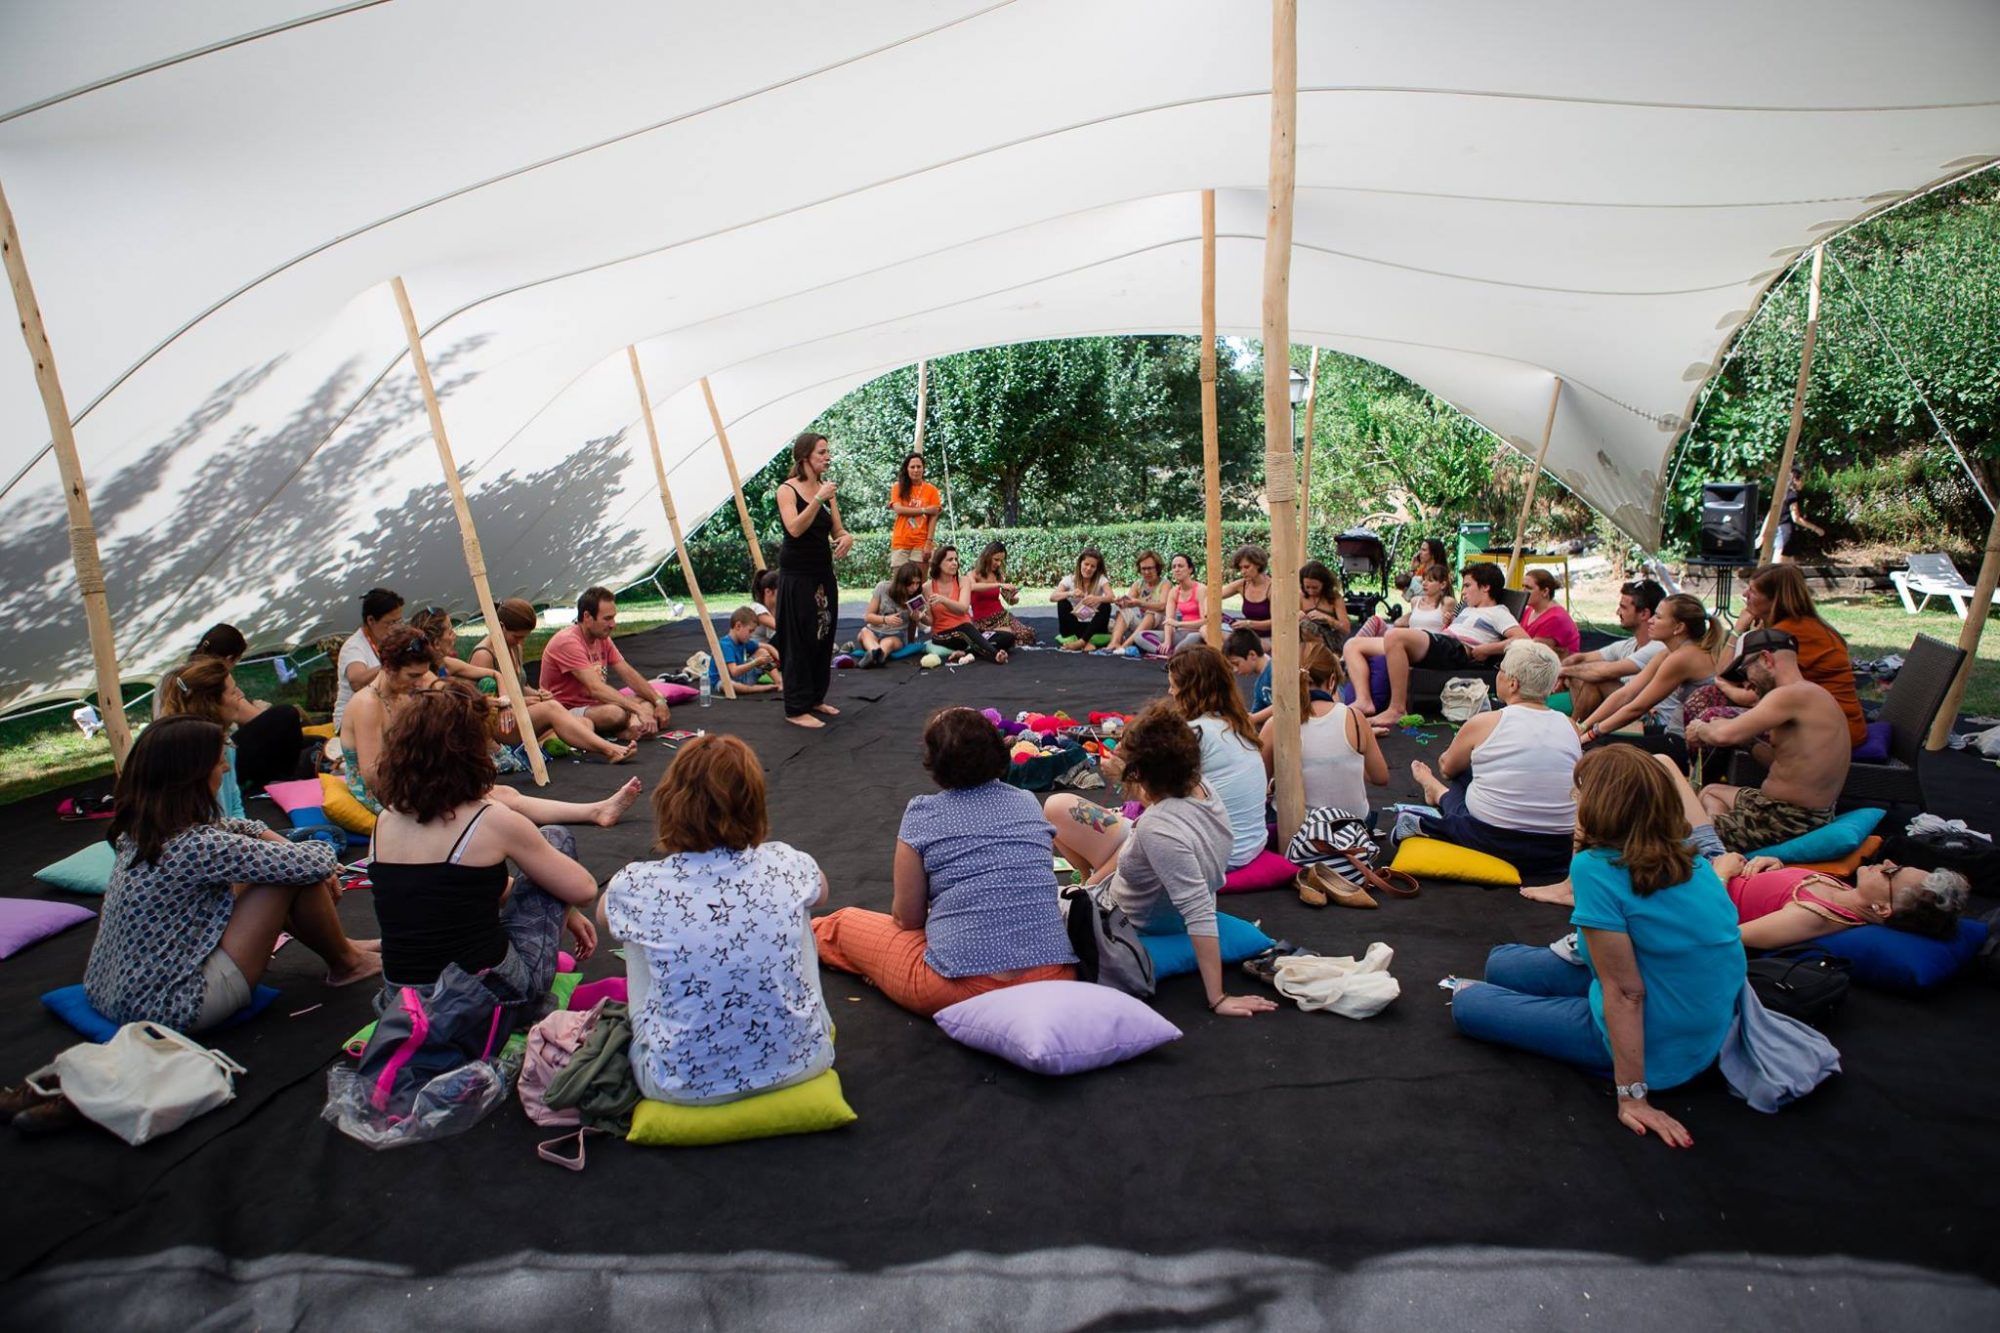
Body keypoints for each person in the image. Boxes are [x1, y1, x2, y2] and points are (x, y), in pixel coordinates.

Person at [1450, 744, 1744, 1149]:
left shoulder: (1596, 867)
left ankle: (1599, 1047)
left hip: (1657, 1036)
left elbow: (1626, 993)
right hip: (1691, 1011)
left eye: (1580, 791)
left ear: (1600, 804)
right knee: (1501, 963)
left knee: (1469, 1004)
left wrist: (1633, 1096)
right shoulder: (1687, 854)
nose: (1575, 800)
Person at [82, 715, 380, 1034]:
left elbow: (237, 826)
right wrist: (311, 858)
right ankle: (347, 963)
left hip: (110, 991)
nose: (225, 769)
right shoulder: (196, 846)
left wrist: (283, 847)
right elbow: (314, 862)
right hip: (175, 1005)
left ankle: (342, 949)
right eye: (219, 761)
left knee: (281, 866)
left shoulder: (140, 830)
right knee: (286, 876)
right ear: (193, 774)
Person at [599, 735, 836, 1105]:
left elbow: (603, 915)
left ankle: (675, 1037)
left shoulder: (636, 884)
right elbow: (822, 892)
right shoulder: (787, 863)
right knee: (801, 902)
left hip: (677, 1084)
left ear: (670, 802)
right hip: (804, 1061)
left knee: (631, 923)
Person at [812, 709, 1078, 1015]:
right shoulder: (1026, 801)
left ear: (934, 763)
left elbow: (907, 918)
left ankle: (785, 936)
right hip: (1052, 979)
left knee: (840, 926)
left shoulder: (923, 814)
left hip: (956, 987)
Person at [368, 685, 599, 1015]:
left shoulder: (385, 820)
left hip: (401, 1000)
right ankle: (527, 1002)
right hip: (483, 998)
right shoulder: (490, 819)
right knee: (555, 837)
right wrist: (565, 906)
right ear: (471, 750)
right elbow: (585, 889)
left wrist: (567, 911)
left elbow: (448, 889)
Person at [1041, 703, 1276, 1018]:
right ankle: (1092, 879)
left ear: (1141, 773)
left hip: (1130, 914)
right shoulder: (1200, 786)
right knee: (1057, 807)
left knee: (1032, 901)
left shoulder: (1158, 830)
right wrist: (1127, 771)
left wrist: (1218, 998)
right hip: (1145, 864)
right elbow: (1161, 804)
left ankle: (1089, 885)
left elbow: (1198, 912)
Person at [1647, 753, 1970, 948]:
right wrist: (1775, 864)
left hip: (1694, 881)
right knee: (1660, 764)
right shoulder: (1843, 892)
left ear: (1882, 908)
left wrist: (1721, 875)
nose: (1885, 861)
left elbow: (1719, 937)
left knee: (1636, 795)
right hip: (1716, 858)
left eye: (1892, 872)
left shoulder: (1815, 917)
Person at [347, 626, 641, 828]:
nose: (419, 682)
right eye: (413, 676)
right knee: (493, 801)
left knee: (502, 795)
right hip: (390, 793)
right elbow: (373, 776)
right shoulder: (367, 704)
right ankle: (594, 811)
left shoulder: (409, 688)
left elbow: (451, 699)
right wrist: (432, 781)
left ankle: (595, 811)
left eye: (421, 675)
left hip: (414, 778)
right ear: (388, 668)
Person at [1408, 640, 1582, 884]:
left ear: (1513, 683)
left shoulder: (1486, 722)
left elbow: (1447, 768)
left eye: (1501, 669)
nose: (1497, 674)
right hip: (1557, 850)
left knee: (1461, 776)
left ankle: (1437, 793)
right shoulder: (1570, 725)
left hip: (1492, 841)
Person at [1684, 628, 1851, 853]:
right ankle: (1718, 838)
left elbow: (1723, 735)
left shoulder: (1789, 694)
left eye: (1745, 670)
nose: (1747, 684)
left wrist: (1700, 728)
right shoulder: (1813, 694)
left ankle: (1713, 842)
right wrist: (1749, 742)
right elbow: (1782, 762)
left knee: (1680, 834)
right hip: (1790, 811)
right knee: (1711, 791)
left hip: (1788, 819)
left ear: (1766, 659)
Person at [1263, 643, 1388, 908]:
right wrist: (1352, 756)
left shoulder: (1277, 723)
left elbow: (1257, 783)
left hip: (1300, 833)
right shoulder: (1354, 717)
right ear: (1332, 681)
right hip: (1353, 828)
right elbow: (1380, 777)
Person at [1690, 564, 1865, 748]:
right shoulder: (1783, 628)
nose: (1744, 594)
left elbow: (1751, 696)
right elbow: (1724, 672)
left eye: (1753, 591)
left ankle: (1701, 766)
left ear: (1775, 600)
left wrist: (1725, 686)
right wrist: (1739, 628)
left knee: (1710, 719)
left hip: (1831, 729)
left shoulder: (1787, 635)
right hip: (1804, 714)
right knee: (1706, 695)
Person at [1346, 561, 1526, 730]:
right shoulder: (1469, 609)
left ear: (1486, 587)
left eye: (1467, 586)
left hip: (1458, 649)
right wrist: (1449, 624)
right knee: (1353, 645)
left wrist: (1487, 649)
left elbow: (1523, 639)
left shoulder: (1498, 612)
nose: (1463, 592)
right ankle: (1364, 700)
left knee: (1395, 636)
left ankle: (1397, 709)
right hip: (1442, 642)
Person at [466, 597, 638, 762]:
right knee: (552, 709)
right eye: (517, 636)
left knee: (584, 723)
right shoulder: (483, 655)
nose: (521, 641)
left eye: (524, 637)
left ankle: (542, 744)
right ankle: (609, 750)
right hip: (498, 724)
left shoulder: (514, 646)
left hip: (518, 714)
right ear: (501, 626)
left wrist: (538, 695)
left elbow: (521, 686)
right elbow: (478, 704)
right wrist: (523, 702)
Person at [1573, 594, 1724, 765]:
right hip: (1671, 732)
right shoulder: (1667, 653)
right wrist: (1582, 727)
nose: (1650, 621)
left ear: (1679, 627)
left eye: (1658, 617)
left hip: (1684, 745)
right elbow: (1626, 693)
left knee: (1597, 747)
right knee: (1598, 740)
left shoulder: (1683, 657)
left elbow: (1637, 708)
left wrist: (1591, 734)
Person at [1166, 644, 1271, 872]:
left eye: (1173, 686)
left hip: (1219, 855)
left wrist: (1123, 771)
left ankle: (1096, 888)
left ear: (1190, 690)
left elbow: (1161, 803)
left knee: (1084, 815)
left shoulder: (1195, 732)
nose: (1170, 692)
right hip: (1251, 844)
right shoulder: (1237, 725)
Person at [772, 432, 852, 728]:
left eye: (828, 451)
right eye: (822, 452)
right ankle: (796, 708)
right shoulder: (787, 490)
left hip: (822, 573)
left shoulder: (827, 490)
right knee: (799, 639)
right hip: (797, 576)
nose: (827, 457)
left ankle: (816, 698)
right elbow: (794, 528)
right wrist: (818, 499)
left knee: (823, 634)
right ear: (805, 456)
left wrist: (846, 537)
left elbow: (837, 530)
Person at [178, 623, 307, 797]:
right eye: (234, 692)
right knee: (286, 715)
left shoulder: (180, 678)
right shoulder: (212, 680)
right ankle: (283, 781)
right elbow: (255, 718)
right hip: (214, 757)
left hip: (211, 753)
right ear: (229, 658)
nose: (239, 695)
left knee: (308, 740)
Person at [538, 586, 673, 742]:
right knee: (615, 714)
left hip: (596, 706)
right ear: (587, 617)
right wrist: (638, 710)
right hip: (567, 710)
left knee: (650, 699)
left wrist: (658, 701)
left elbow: (628, 673)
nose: (613, 624)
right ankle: (629, 725)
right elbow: (596, 689)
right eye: (607, 619)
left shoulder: (602, 639)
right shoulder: (567, 642)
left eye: (613, 618)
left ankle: (631, 728)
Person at [156, 657, 255, 819]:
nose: (241, 695)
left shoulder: (226, 744)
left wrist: (249, 832)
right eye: (233, 692)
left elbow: (235, 806)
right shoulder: (178, 756)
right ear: (212, 703)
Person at [1558, 578, 1665, 720]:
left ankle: (1575, 727)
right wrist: (1565, 669)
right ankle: (1579, 725)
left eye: (1623, 607)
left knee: (1596, 678)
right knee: (1581, 672)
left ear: (1644, 614)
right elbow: (1581, 658)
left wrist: (1562, 671)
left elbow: (1605, 672)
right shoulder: (1629, 645)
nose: (1617, 612)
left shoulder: (1657, 648)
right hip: (1630, 709)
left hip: (1652, 719)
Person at [333, 587, 404, 730]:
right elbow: (357, 682)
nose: (396, 628)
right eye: (390, 623)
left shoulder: (386, 641)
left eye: (399, 622)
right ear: (371, 620)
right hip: (351, 722)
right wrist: (390, 663)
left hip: (379, 714)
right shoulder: (354, 646)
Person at [926, 545, 1007, 663]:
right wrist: (919, 617)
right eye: (950, 560)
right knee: (966, 629)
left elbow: (963, 609)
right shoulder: (927, 587)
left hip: (968, 631)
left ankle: (967, 653)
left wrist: (943, 600)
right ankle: (995, 656)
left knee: (1006, 636)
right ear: (938, 563)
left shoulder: (963, 581)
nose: (955, 563)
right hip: (943, 635)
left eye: (956, 559)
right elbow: (930, 621)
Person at [407, 607, 500, 686]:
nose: (455, 636)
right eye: (450, 632)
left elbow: (495, 674)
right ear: (436, 644)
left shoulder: (444, 664)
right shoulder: (422, 678)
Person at [969, 542, 1037, 647]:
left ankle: (1003, 635)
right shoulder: (973, 574)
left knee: (1027, 634)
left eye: (1001, 561)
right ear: (987, 556)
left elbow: (1010, 601)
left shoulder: (998, 576)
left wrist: (1013, 597)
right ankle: (1001, 635)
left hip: (1002, 616)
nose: (999, 564)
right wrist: (999, 585)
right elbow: (972, 587)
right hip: (983, 620)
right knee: (1007, 636)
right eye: (996, 560)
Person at [859, 562, 928, 667]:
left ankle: (875, 654)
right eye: (911, 583)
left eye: (917, 583)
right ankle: (876, 654)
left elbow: (929, 621)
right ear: (901, 582)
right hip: (874, 630)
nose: (914, 587)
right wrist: (885, 619)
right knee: (864, 632)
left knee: (889, 642)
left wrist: (917, 618)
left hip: (896, 635)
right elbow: (868, 617)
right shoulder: (882, 587)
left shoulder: (916, 597)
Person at [887, 451, 943, 571]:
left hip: (921, 542)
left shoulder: (932, 490)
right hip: (901, 541)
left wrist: (929, 542)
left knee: (919, 580)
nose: (916, 470)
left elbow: (934, 516)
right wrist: (924, 510)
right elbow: (899, 509)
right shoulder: (898, 487)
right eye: (912, 467)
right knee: (900, 580)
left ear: (923, 469)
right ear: (906, 469)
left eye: (919, 467)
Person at [1105, 550, 1168, 655]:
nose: (1146, 572)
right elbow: (1128, 603)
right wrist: (1121, 602)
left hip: (1161, 625)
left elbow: (1162, 606)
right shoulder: (1138, 584)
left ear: (1157, 568)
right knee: (1125, 610)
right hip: (1143, 624)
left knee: (1151, 612)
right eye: (1143, 569)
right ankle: (1114, 643)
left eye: (1150, 568)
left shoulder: (1165, 584)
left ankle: (1125, 645)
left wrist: (1140, 603)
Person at [711, 607, 784, 695]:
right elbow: (734, 672)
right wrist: (755, 662)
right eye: (750, 631)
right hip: (725, 680)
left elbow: (768, 647)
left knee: (762, 652)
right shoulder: (726, 644)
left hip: (742, 677)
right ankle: (762, 688)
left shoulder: (743, 641)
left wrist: (782, 661)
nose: (751, 635)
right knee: (729, 685)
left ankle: (779, 682)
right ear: (738, 626)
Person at [1052, 548, 1114, 649]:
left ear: (1096, 568)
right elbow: (1052, 597)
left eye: (1093, 566)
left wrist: (1097, 599)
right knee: (1062, 602)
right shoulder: (1068, 580)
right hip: (1073, 625)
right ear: (1080, 563)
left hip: (1093, 625)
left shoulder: (1101, 579)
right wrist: (1070, 593)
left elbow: (1112, 597)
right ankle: (1086, 641)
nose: (1088, 568)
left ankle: (1081, 642)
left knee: (1106, 605)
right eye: (1086, 564)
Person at [1216, 544, 1274, 640]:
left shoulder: (1272, 588)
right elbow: (1212, 596)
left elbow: (1277, 622)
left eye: (1246, 567)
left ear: (1258, 565)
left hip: (1269, 638)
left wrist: (1249, 624)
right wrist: (1208, 611)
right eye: (1240, 568)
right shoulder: (1241, 584)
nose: (1243, 571)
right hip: (1247, 636)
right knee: (1204, 630)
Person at [1519, 569, 1579, 658]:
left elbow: (1533, 652)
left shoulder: (1555, 618)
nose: (1523, 591)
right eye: (1522, 586)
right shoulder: (1528, 611)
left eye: (1528, 588)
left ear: (1545, 592)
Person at [1158, 553, 1209, 655]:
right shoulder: (1173, 592)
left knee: (1187, 641)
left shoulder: (1201, 589)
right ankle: (1170, 651)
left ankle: (1175, 652)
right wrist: (1167, 641)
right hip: (1181, 633)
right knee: (1141, 636)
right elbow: (1168, 621)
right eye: (1174, 567)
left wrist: (1179, 624)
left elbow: (1205, 621)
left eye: (1180, 566)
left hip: (1198, 633)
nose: (1177, 569)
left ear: (1190, 569)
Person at [1297, 559, 1352, 655]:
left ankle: (1325, 654)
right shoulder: (1300, 596)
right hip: (1306, 640)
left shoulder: (1335, 598)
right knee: (1304, 626)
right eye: (1307, 587)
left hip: (1330, 640)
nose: (1311, 591)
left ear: (1324, 584)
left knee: (1306, 627)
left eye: (1315, 588)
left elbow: (1346, 629)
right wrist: (1297, 615)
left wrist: (1327, 619)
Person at [1773, 463, 1825, 562]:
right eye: (1801, 480)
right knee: (1777, 566)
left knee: (1790, 567)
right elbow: (1796, 518)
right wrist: (1816, 529)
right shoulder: (1792, 495)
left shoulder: (1783, 494)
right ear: (1795, 480)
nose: (1803, 483)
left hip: (1783, 530)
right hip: (1785, 532)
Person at [1223, 628, 1274, 724]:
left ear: (1252, 655)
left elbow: (1284, 704)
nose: (1235, 670)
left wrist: (1254, 718)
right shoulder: (1258, 684)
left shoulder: (1274, 670)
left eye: (1236, 664)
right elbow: (1256, 711)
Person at [750, 568, 781, 641]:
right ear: (768, 592)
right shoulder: (757, 608)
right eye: (781, 590)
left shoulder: (774, 610)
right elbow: (781, 628)